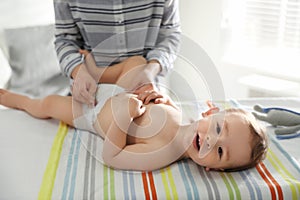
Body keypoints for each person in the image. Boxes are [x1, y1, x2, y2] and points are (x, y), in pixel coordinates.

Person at [0, 56, 268, 172]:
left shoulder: (163, 153)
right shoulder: (183, 115)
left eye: (220, 152)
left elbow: (112, 157)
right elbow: (159, 108)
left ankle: (16, 99)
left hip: (91, 113)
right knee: (138, 63)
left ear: (211, 167)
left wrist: (122, 116)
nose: (212, 140)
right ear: (211, 111)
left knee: (48, 104)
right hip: (114, 89)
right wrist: (159, 97)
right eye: (219, 128)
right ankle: (95, 70)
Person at [53, 0, 181, 105]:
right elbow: (65, 39)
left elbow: (170, 34)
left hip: (146, 86)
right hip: (89, 91)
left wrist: (150, 70)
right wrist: (77, 70)